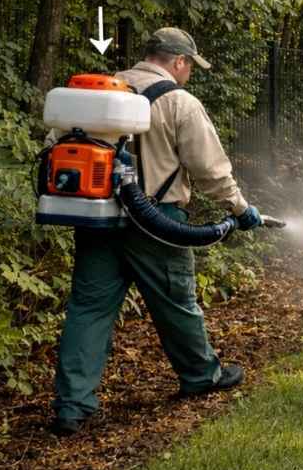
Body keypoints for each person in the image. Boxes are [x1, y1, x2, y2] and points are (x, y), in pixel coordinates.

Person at [49, 27, 262, 436]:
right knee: (176, 303)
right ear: (178, 61)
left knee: (88, 309)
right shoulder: (179, 102)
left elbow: (59, 143)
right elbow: (210, 171)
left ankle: (71, 406)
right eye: (190, 67)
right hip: (158, 224)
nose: (189, 74)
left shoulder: (99, 94)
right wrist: (239, 209)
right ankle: (201, 376)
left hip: (97, 218)